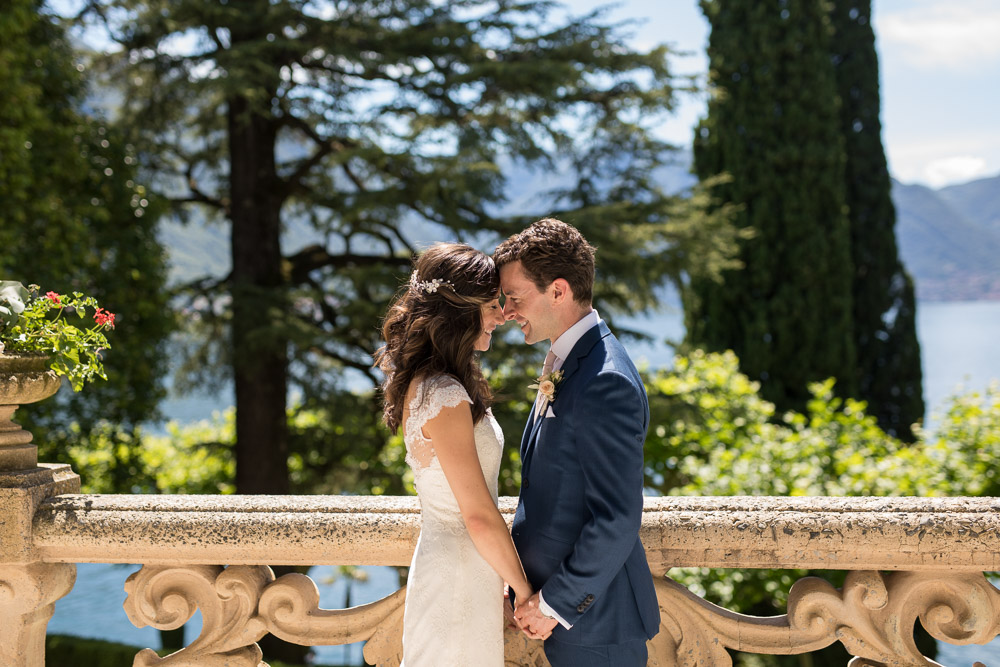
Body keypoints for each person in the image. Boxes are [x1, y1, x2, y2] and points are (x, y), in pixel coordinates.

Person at [494, 219, 660, 666]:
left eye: (515, 296)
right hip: (570, 621)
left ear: (558, 290)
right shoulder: (570, 362)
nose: (507, 311)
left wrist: (551, 605)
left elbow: (617, 518)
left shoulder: (605, 381)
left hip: (597, 626)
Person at [373, 242, 533, 666]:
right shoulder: (443, 395)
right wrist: (523, 588)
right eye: (491, 305)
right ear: (459, 313)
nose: (502, 315)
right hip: (458, 577)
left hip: (461, 569)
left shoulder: (431, 384)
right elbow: (478, 514)